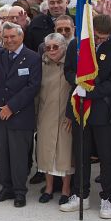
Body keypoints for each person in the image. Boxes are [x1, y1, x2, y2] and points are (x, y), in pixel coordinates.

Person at [62, 13, 111, 218]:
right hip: (79, 108)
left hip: (103, 110)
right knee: (81, 153)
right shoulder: (77, 46)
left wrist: (90, 91)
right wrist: (78, 82)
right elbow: (68, 70)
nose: (100, 41)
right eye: (97, 36)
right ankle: (81, 195)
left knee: (107, 156)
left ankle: (107, 198)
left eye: (105, 37)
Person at [0, 22, 42, 207]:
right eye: (5, 37)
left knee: (19, 156)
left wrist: (11, 107)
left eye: (12, 37)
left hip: (20, 114)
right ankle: (6, 188)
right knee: (4, 154)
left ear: (21, 36)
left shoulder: (32, 57)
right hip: (0, 114)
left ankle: (19, 191)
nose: (9, 40)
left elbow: (33, 86)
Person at [35, 32, 74, 205]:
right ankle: (49, 188)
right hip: (46, 114)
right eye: (48, 47)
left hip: (66, 116)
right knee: (46, 153)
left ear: (64, 47)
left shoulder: (71, 64)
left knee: (66, 154)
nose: (51, 50)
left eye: (55, 47)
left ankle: (66, 190)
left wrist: (73, 115)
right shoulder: (41, 64)